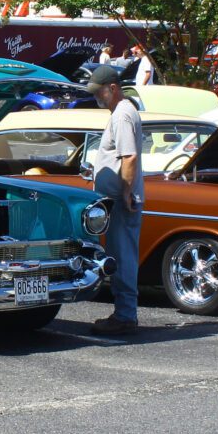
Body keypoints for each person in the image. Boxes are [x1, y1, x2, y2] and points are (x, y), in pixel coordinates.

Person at [85, 65, 142, 336]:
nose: (98, 98)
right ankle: (124, 313)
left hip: (121, 198)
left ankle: (125, 315)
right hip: (119, 196)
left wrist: (127, 192)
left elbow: (128, 157)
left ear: (113, 88)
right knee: (121, 253)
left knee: (122, 255)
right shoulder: (123, 112)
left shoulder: (122, 115)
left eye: (100, 93)